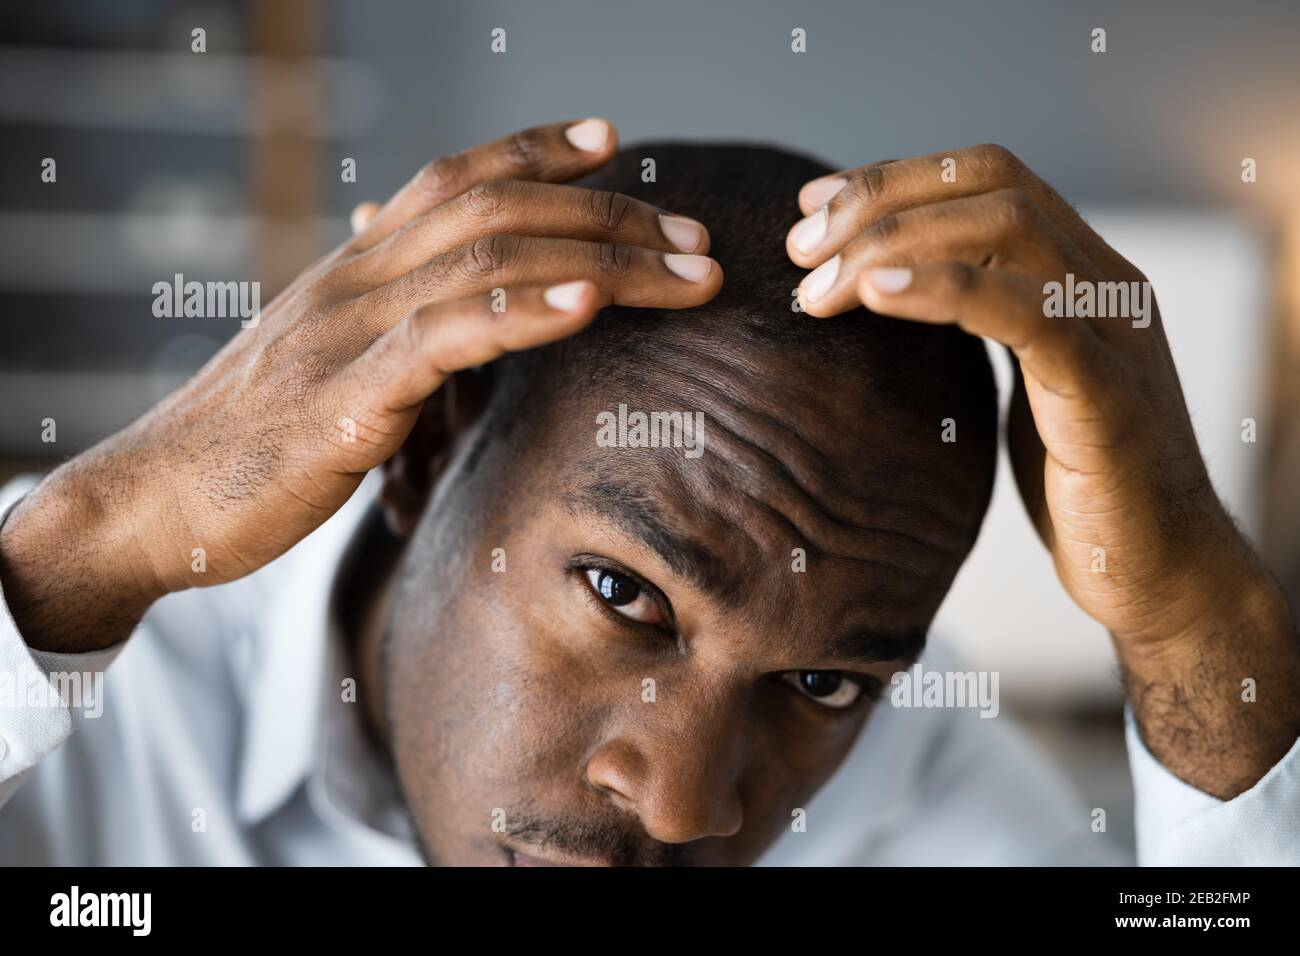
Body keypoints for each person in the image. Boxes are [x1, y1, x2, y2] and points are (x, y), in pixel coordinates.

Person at [1, 120, 1296, 865]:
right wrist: (85, 541)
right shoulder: (79, 656)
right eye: (628, 595)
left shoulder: (919, 797)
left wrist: (1191, 614)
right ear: (424, 458)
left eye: (825, 684)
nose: (687, 808)